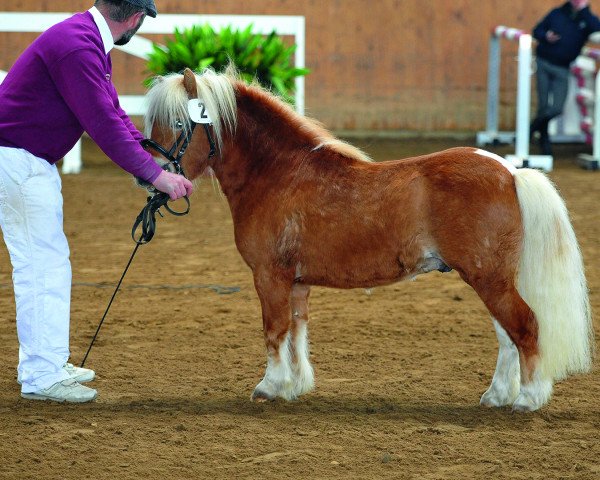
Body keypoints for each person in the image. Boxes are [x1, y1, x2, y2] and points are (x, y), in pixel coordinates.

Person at [0, 0, 193, 403]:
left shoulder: (84, 40)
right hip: (18, 161)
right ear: (136, 18)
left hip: (24, 160)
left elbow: (114, 113)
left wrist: (150, 159)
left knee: (48, 263)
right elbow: (102, 125)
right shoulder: (80, 48)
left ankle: (48, 362)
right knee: (41, 265)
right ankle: (41, 374)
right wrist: (156, 175)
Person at [530, 0, 600, 155]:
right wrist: (546, 35)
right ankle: (544, 141)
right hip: (543, 62)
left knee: (556, 108)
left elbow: (596, 27)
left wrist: (584, 11)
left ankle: (533, 127)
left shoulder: (586, 19)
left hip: (562, 67)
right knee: (543, 106)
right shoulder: (556, 13)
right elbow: (536, 31)